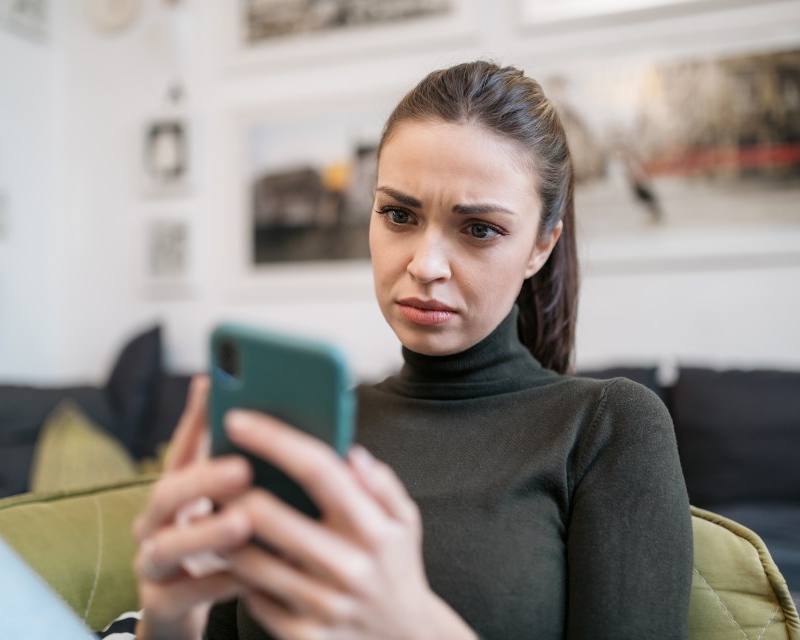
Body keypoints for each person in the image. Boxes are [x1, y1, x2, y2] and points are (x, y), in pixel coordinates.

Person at [123, 60, 693, 639]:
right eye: (399, 215)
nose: (425, 266)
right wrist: (169, 618)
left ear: (541, 246)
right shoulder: (303, 433)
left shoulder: (605, 426)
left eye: (479, 229)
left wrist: (410, 623)